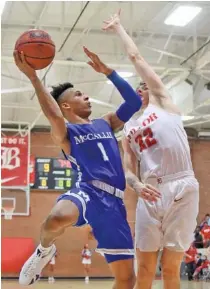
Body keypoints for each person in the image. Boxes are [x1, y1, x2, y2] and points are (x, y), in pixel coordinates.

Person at [15, 45, 142, 289]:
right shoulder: (66, 132)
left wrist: (108, 72)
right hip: (88, 190)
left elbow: (134, 101)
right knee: (56, 217)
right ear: (66, 106)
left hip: (114, 203)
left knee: (127, 280)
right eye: (79, 94)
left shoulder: (105, 122)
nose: (86, 96)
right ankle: (43, 251)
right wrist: (33, 77)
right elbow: (53, 117)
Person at [103, 10, 199, 289]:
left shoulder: (163, 103)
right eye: (139, 86)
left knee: (171, 268)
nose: (143, 86)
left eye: (146, 84)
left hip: (182, 185)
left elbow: (136, 58)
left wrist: (119, 27)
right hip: (151, 192)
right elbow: (129, 170)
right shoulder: (127, 128)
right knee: (144, 268)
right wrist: (136, 185)